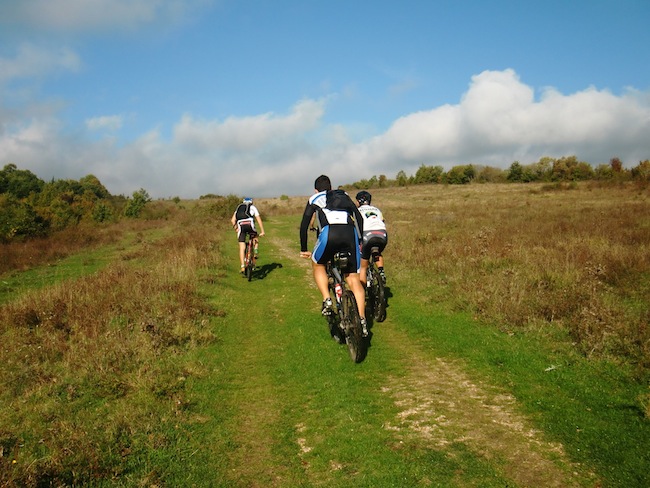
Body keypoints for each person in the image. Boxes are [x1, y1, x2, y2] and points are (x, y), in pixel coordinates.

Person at [299, 175, 368, 336]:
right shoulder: (342, 195)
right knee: (353, 279)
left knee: (318, 264)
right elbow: (358, 217)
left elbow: (303, 226)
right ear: (331, 187)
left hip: (330, 233)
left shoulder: (314, 198)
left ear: (316, 189)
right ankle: (363, 321)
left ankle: (327, 299)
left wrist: (304, 248)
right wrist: (360, 240)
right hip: (350, 234)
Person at [355, 190, 388, 286]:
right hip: (382, 234)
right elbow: (382, 220)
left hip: (367, 235)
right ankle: (381, 271)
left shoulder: (357, 211)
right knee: (377, 253)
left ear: (359, 201)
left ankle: (363, 291)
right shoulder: (376, 209)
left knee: (363, 266)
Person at [231, 197, 265, 273]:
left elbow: (232, 220)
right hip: (249, 224)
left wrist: (236, 229)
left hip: (240, 225)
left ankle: (242, 266)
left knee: (242, 247)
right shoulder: (252, 207)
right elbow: (258, 219)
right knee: (255, 236)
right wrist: (262, 231)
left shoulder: (238, 208)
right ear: (251, 202)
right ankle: (255, 251)